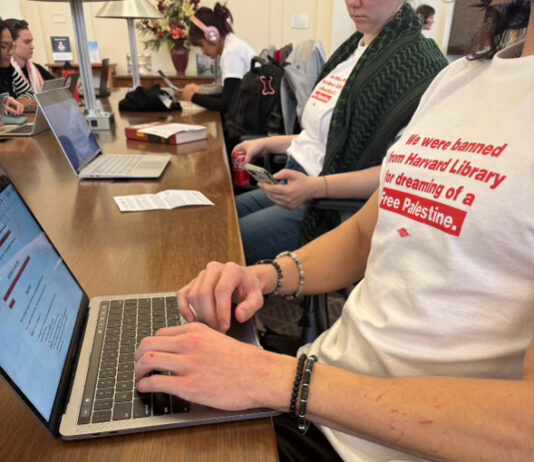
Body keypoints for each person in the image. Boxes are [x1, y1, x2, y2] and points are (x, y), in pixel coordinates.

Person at [134, 1, 534, 461]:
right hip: (319, 388)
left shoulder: (422, 64)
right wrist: (266, 277)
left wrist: (276, 379)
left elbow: (524, 428)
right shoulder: (461, 78)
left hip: (372, 439)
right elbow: (370, 232)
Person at [233, 0, 448, 265]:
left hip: (328, 205)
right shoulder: (353, 50)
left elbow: (400, 173)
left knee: (226, 242)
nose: (353, 2)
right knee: (222, 217)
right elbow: (325, 138)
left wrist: (314, 189)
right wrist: (265, 145)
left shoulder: (421, 66)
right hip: (298, 181)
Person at [181, 2, 255, 114]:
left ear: (212, 36)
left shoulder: (232, 53)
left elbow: (227, 104)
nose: (203, 52)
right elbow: (227, 96)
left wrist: (193, 97)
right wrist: (197, 95)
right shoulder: (232, 46)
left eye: (201, 45)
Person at [4, 18, 55, 94]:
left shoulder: (37, 68)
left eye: (31, 41)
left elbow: (57, 87)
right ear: (11, 43)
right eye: (27, 42)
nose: (32, 46)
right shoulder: (6, 72)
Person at [0, 18, 33, 108]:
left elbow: (29, 92)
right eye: (3, 47)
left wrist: (16, 102)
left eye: (11, 46)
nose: (10, 52)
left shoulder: (9, 69)